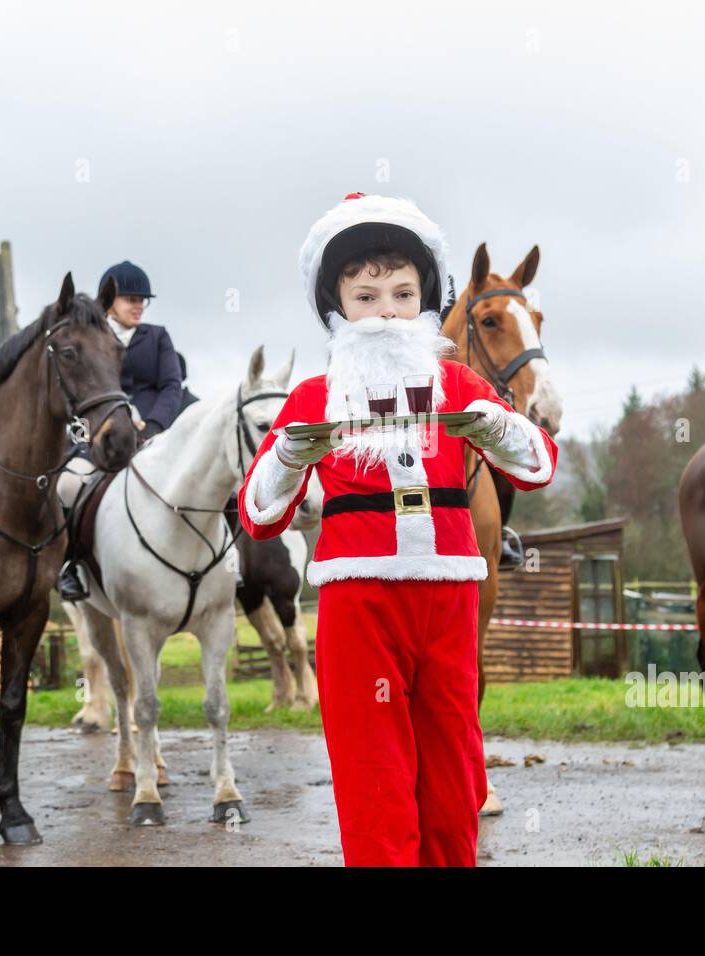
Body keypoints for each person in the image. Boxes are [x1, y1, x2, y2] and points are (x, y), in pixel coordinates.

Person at [238, 193, 559, 865]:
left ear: (424, 301)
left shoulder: (460, 383)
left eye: (402, 294)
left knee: (452, 781)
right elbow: (259, 514)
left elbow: (538, 463)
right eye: (366, 296)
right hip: (360, 608)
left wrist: (497, 424)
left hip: (449, 605)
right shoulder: (314, 397)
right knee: (374, 784)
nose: (386, 311)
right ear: (338, 308)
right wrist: (291, 452)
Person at [55, 260, 183, 601]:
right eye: (131, 299)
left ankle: (228, 560)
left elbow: (172, 385)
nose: (139, 305)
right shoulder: (92, 336)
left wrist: (155, 427)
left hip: (152, 434)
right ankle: (73, 566)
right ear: (110, 301)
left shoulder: (156, 337)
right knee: (68, 485)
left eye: (143, 299)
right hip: (99, 435)